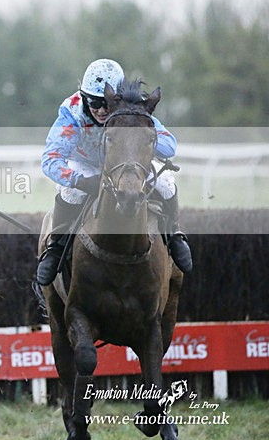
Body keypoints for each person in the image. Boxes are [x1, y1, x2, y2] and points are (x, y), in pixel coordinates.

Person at [36, 59, 193, 286]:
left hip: (130, 166)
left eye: (105, 103)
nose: (100, 109)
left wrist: (142, 129)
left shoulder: (133, 110)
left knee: (167, 181)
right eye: (93, 102)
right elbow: (50, 160)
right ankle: (56, 248)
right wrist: (80, 181)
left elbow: (170, 147)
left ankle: (175, 235)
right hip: (86, 164)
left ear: (116, 99)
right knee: (71, 194)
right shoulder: (72, 113)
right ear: (83, 97)